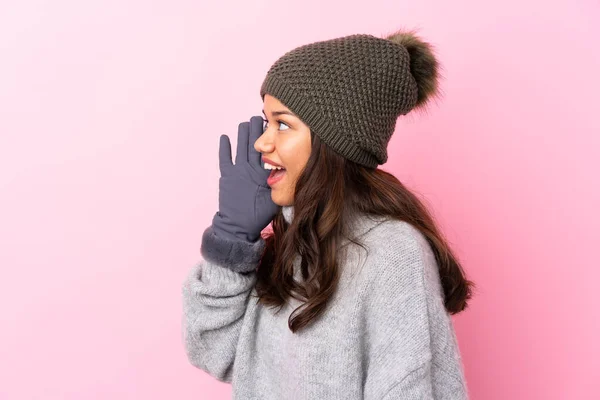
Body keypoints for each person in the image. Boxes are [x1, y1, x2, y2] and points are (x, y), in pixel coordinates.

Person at [182, 28, 475, 399]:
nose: (261, 142)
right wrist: (232, 239)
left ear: (331, 142)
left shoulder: (392, 254)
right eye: (266, 121)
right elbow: (213, 352)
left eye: (283, 124)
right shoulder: (293, 244)